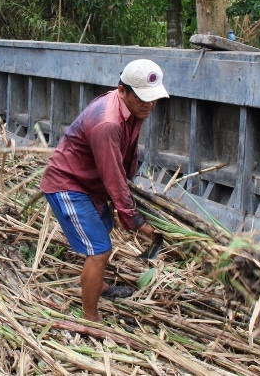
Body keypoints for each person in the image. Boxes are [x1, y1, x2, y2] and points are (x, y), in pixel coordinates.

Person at [40, 59, 168, 322]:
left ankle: (98, 285)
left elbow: (124, 159)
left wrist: (121, 203)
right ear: (122, 90)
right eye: (143, 98)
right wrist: (135, 219)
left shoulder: (134, 110)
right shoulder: (108, 122)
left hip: (91, 184)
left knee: (103, 229)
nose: (149, 105)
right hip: (69, 184)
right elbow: (113, 175)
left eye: (153, 99)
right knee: (100, 249)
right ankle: (90, 318)